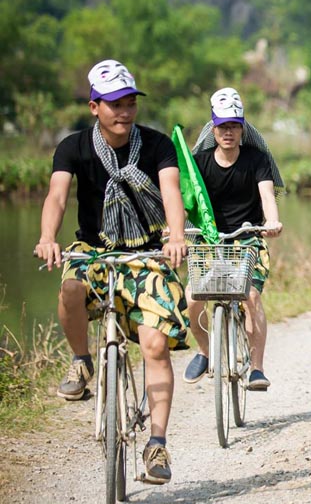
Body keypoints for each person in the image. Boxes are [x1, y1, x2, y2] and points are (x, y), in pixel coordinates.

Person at [34, 59, 188, 484]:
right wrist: (49, 236)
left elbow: (171, 191)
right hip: (95, 250)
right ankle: (82, 361)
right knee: (69, 287)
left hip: (147, 253)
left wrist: (175, 235)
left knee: (155, 345)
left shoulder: (156, 145)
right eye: (114, 104)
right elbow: (57, 196)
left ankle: (157, 444)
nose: (124, 112)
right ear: (94, 106)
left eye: (130, 103)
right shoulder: (73, 147)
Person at [183, 88, 283, 391]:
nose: (228, 132)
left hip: (247, 238)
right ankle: (204, 349)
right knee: (192, 296)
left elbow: (267, 194)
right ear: (213, 129)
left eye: (234, 125)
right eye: (223, 126)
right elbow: (184, 198)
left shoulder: (257, 159)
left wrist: (271, 222)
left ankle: (256, 368)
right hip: (209, 239)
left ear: (242, 128)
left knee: (250, 295)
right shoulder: (199, 162)